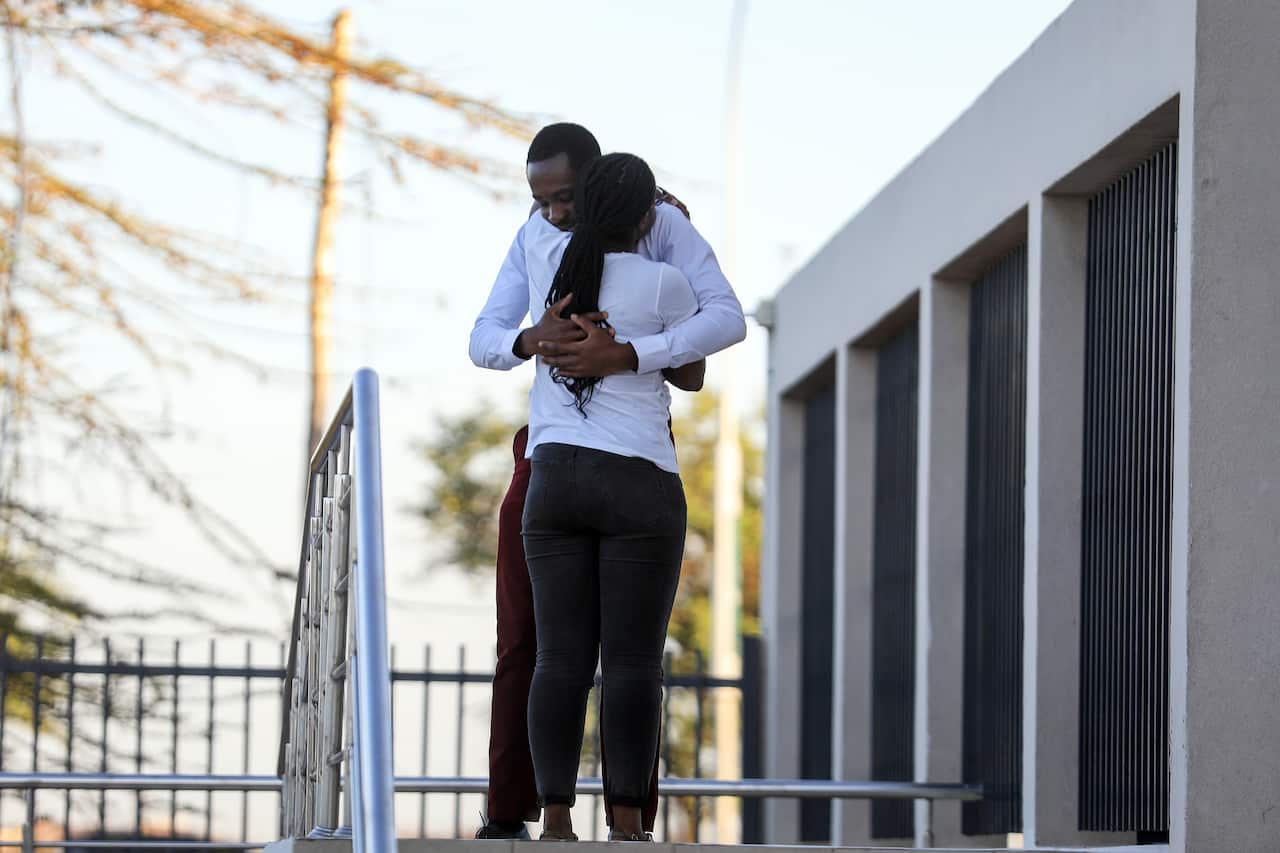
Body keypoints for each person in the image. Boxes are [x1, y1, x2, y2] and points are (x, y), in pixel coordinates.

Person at [469, 124, 746, 840]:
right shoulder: (545, 239)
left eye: (564, 199)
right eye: (541, 200)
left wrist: (625, 351)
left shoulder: (661, 231)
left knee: (573, 654)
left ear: (592, 187)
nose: (553, 214)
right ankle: (575, 819)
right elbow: (702, 354)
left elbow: (693, 355)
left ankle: (579, 819)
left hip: (573, 466)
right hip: (598, 463)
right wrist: (536, 340)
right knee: (593, 653)